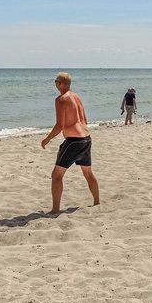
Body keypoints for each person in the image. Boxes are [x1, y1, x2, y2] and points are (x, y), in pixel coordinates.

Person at [40, 72, 100, 215]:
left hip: (74, 141)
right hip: (86, 138)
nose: (55, 84)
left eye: (56, 81)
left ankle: (55, 210)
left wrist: (47, 139)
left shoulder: (61, 99)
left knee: (56, 175)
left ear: (61, 83)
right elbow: (84, 120)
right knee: (87, 172)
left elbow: (59, 125)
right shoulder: (77, 97)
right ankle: (97, 202)